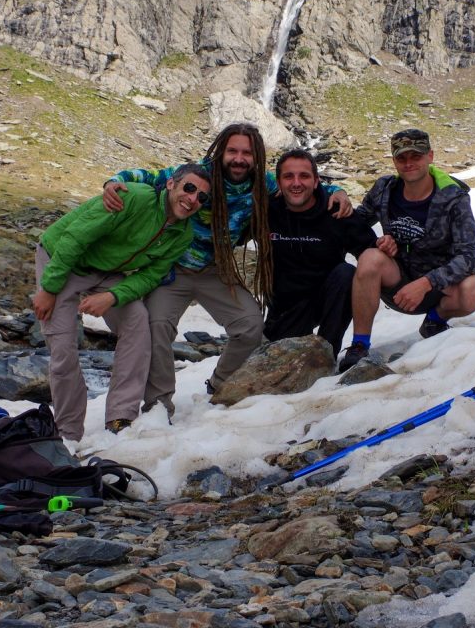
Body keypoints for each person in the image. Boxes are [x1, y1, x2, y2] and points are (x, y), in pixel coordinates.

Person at [102, 123, 350, 411]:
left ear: (256, 156)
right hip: (172, 269)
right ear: (221, 152)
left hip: (215, 270)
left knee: (250, 326)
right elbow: (147, 176)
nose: (239, 158)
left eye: (247, 152)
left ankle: (220, 385)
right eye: (232, 150)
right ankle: (158, 403)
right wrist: (113, 181)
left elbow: (302, 184)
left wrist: (339, 191)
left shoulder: (262, 184)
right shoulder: (198, 177)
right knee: (157, 327)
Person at [33, 164, 210, 441]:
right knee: (64, 348)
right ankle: (67, 433)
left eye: (202, 197)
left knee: (138, 321)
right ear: (170, 185)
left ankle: (120, 418)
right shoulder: (133, 198)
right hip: (61, 260)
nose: (192, 199)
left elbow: (150, 276)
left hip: (107, 273)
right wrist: (49, 288)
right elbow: (75, 237)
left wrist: (113, 296)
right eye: (189, 188)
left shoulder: (182, 235)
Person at [338, 128, 475, 371]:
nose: (408, 164)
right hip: (397, 283)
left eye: (415, 156)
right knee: (370, 258)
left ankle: (434, 322)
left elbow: (473, 255)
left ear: (430, 156)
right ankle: (359, 345)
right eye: (401, 158)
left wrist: (427, 283)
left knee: (473, 288)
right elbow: (356, 223)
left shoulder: (453, 198)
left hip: (438, 288)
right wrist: (337, 194)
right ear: (394, 160)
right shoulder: (385, 189)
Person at [265, 148, 376, 356]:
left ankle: (327, 352)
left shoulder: (336, 210)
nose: (296, 183)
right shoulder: (267, 210)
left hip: (326, 297)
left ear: (316, 181)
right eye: (289, 176)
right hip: (285, 307)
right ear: (278, 183)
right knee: (280, 358)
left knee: (346, 273)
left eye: (304, 176)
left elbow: (373, 253)